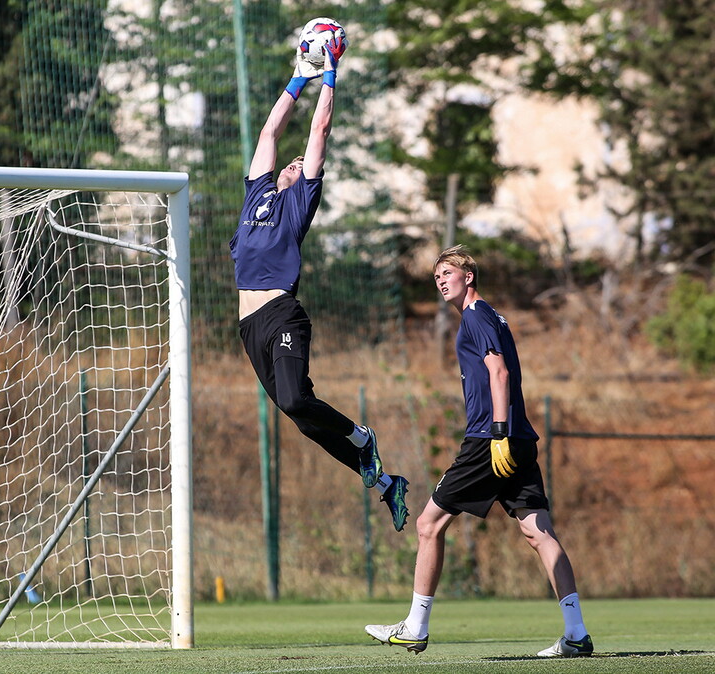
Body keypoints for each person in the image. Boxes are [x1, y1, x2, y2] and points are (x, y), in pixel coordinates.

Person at [365, 245, 593, 657]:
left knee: (428, 524)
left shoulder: (477, 315)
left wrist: (499, 433)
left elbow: (498, 372)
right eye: (436, 276)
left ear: (468, 277)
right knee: (538, 532)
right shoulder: (489, 317)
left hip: (493, 438)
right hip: (517, 438)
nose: (440, 280)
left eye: (447, 272)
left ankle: (415, 626)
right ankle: (576, 633)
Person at [229, 29, 409, 531]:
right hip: (249, 327)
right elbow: (269, 135)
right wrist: (297, 78)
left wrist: (329, 73)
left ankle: (362, 436)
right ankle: (383, 482)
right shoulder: (256, 195)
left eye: (299, 163)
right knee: (302, 418)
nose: (293, 161)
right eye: (290, 163)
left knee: (294, 398)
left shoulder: (298, 201)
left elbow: (319, 132)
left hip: (281, 312)